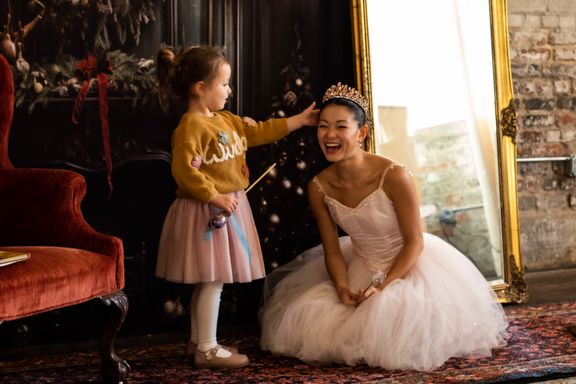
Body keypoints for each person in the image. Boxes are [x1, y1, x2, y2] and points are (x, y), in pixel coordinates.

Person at [259, 82, 508, 371]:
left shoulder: (394, 176)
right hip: (360, 262)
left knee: (404, 325)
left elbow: (415, 242)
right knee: (318, 323)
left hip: (410, 265)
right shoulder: (319, 187)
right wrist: (341, 286)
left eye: (341, 127)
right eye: (323, 126)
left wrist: (383, 285)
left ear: (361, 133)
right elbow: (333, 252)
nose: (329, 135)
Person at [155, 45, 318, 369]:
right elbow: (184, 171)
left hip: (227, 208)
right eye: (224, 84)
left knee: (212, 280)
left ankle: (198, 341)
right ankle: (207, 348)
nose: (230, 90)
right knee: (212, 280)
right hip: (206, 211)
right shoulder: (191, 127)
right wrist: (214, 196)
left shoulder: (226, 120)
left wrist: (299, 120)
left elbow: (258, 132)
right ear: (201, 88)